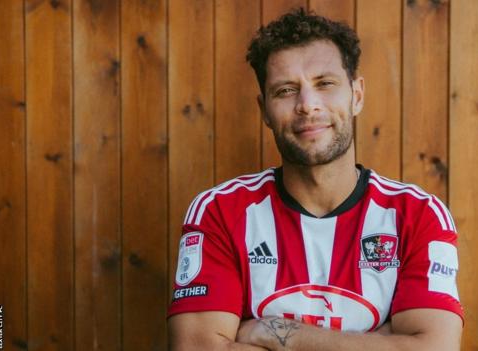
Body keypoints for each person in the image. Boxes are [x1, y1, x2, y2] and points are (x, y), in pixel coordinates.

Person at [168, 8, 463, 351]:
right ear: (264, 109)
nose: (307, 105)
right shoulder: (219, 212)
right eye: (286, 91)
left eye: (325, 84)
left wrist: (281, 334)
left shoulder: (418, 214)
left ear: (357, 95)